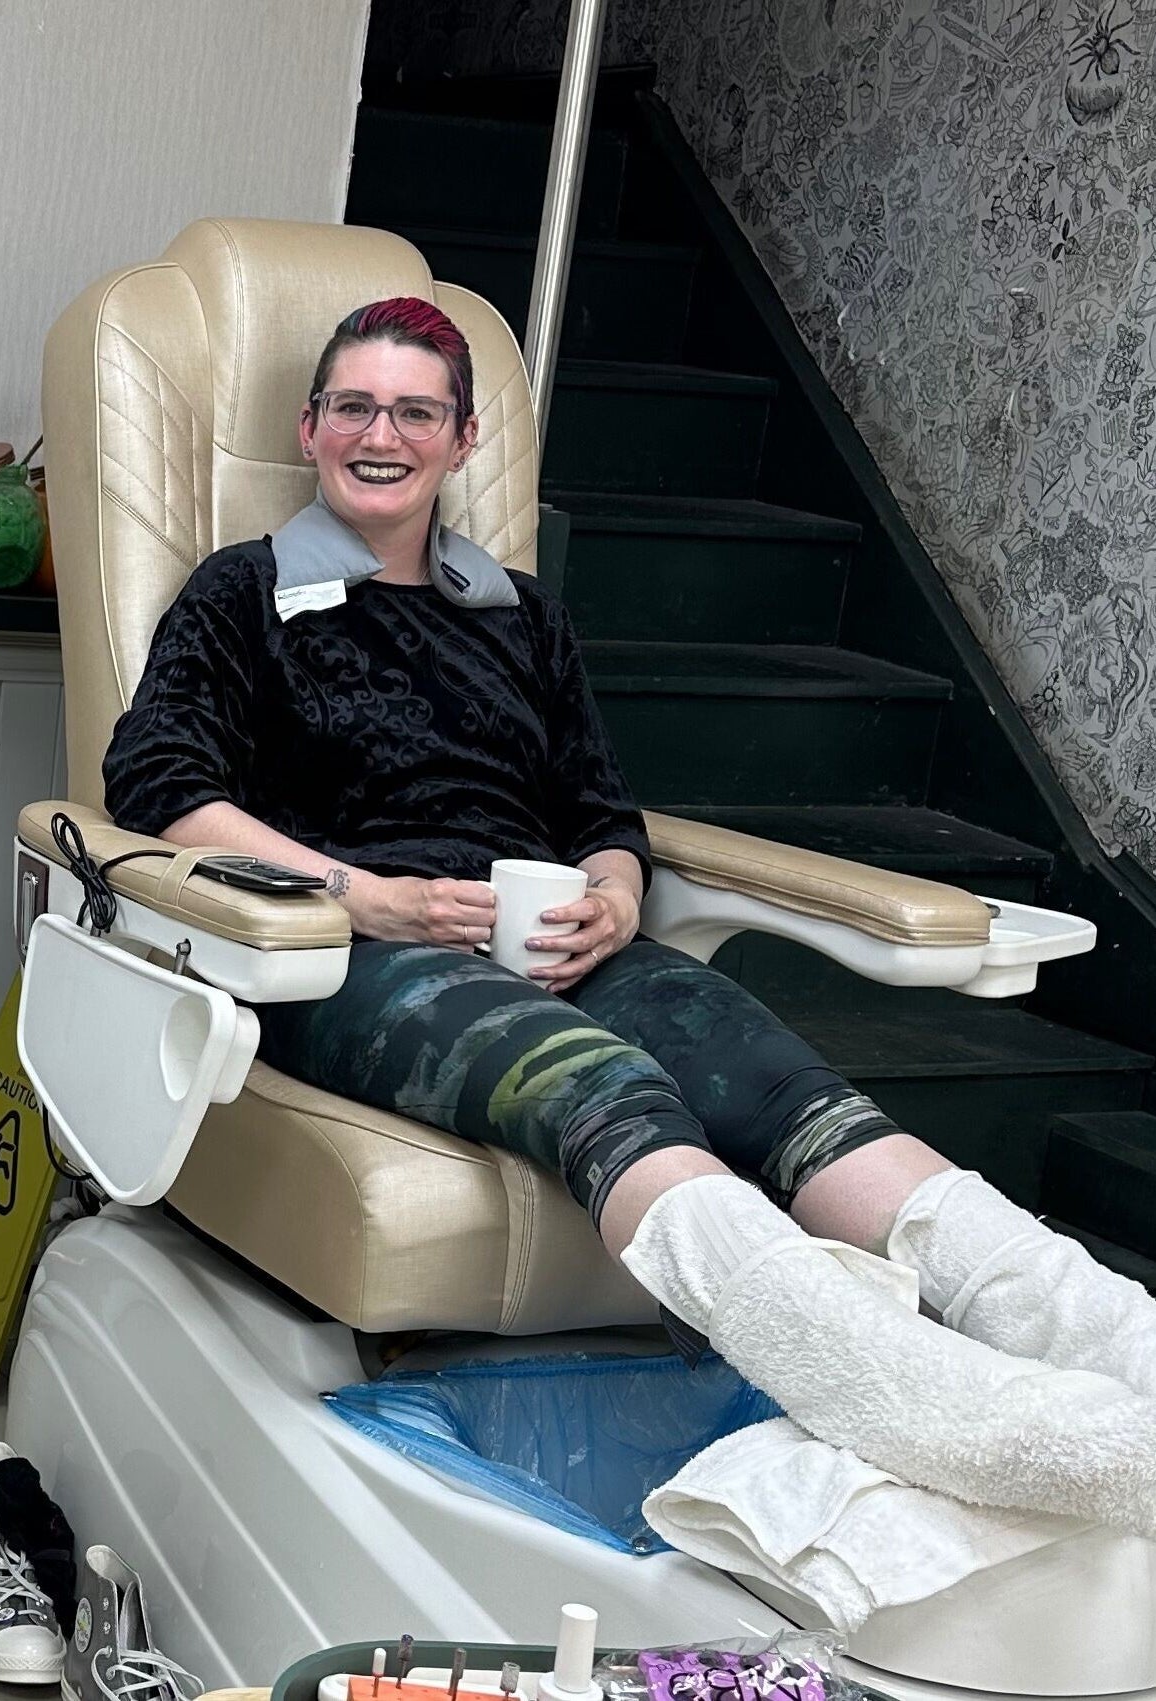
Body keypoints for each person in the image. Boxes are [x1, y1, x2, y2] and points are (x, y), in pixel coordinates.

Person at [102, 295, 1156, 1534]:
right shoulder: (242, 593)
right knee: (604, 1086)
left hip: (549, 936)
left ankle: (1114, 1341)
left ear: (462, 439)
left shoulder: (522, 615)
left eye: (415, 412)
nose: (380, 435)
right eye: (355, 407)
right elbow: (159, 786)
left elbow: (601, 809)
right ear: (310, 426)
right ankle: (921, 1402)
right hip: (353, 951)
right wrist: (365, 895)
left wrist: (612, 892)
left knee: (782, 1090)